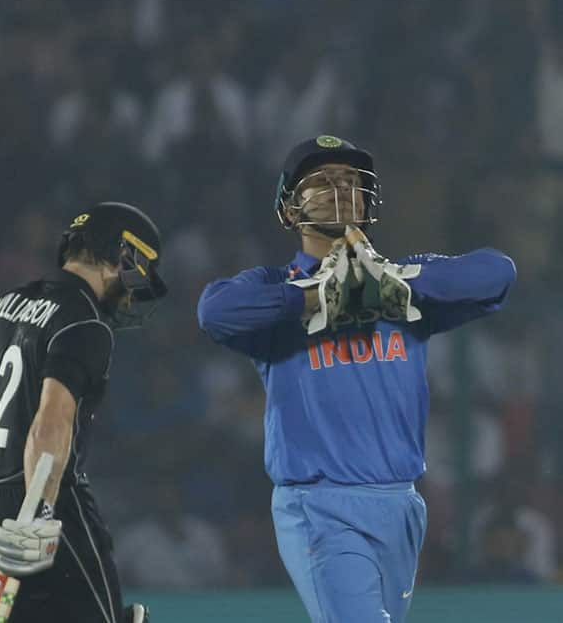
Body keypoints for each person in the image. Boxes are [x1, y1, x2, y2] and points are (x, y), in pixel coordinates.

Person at [196, 135, 516, 623]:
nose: (339, 189)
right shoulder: (272, 289)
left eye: (350, 181)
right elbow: (214, 311)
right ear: (289, 207)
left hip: (402, 500)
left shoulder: (404, 283)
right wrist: (319, 297)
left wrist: (392, 286)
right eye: (320, 181)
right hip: (319, 502)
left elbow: (497, 273)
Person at [0, 202, 166, 623]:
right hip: (44, 517)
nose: (133, 294)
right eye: (137, 276)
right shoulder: (85, 323)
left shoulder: (0, 305)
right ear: (122, 257)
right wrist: (37, 514)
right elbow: (51, 419)